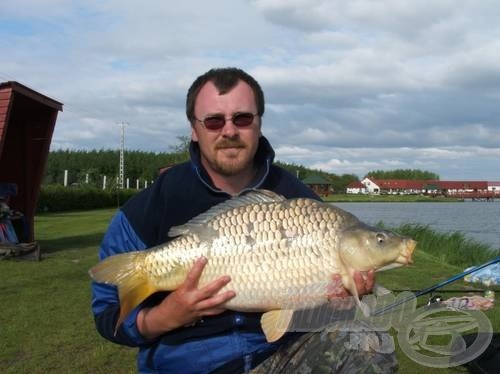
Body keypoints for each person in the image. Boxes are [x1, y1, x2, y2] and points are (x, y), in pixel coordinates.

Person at [91, 67, 396, 373]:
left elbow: (322, 309)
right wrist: (165, 316)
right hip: (187, 364)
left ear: (259, 123)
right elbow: (108, 315)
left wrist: (338, 303)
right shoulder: (148, 208)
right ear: (194, 129)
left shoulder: (300, 200)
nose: (229, 131)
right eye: (213, 121)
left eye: (242, 118)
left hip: (280, 355)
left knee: (369, 342)